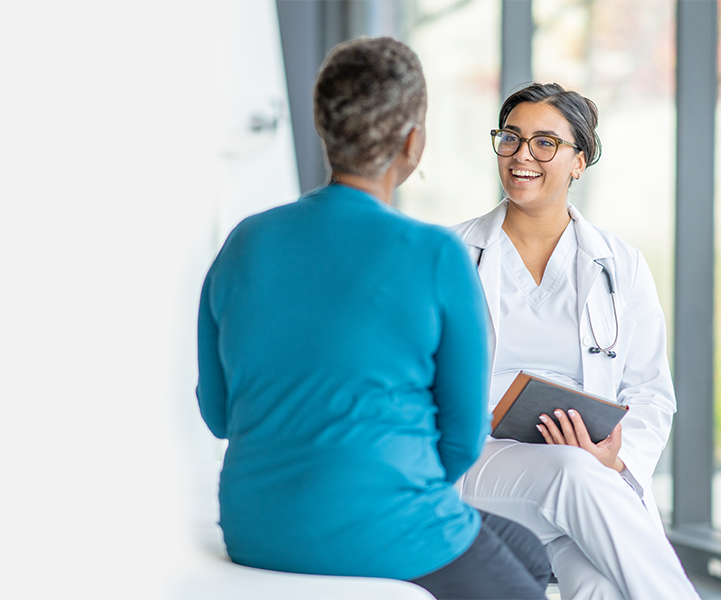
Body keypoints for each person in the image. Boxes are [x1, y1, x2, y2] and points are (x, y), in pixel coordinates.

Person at [195, 38, 550, 600]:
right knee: (528, 580)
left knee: (527, 550)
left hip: (255, 528)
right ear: (414, 141)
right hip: (387, 530)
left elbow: (218, 415)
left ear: (324, 127)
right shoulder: (434, 255)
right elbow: (460, 442)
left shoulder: (244, 242)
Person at [452, 83, 702, 600]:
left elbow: (651, 391)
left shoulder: (620, 264)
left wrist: (616, 456)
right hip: (481, 460)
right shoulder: (450, 254)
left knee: (602, 587)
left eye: (545, 142)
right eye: (512, 138)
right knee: (573, 471)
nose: (523, 155)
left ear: (578, 161)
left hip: (588, 477)